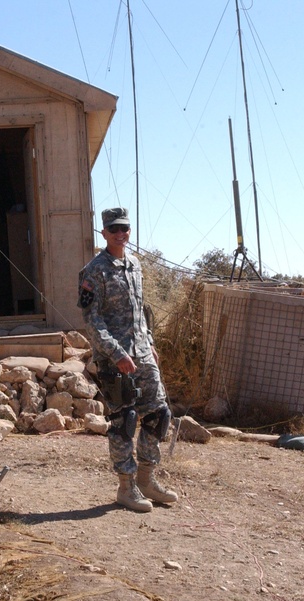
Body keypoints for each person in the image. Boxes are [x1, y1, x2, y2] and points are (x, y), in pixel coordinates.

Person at [77, 207, 178, 512]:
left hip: (143, 354)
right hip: (115, 359)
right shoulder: (94, 271)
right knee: (124, 422)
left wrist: (149, 343)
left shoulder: (134, 265)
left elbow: (140, 311)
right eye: (114, 229)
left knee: (158, 415)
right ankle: (126, 487)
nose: (121, 234)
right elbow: (92, 321)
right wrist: (117, 353)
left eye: (125, 229)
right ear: (104, 233)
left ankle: (147, 479)